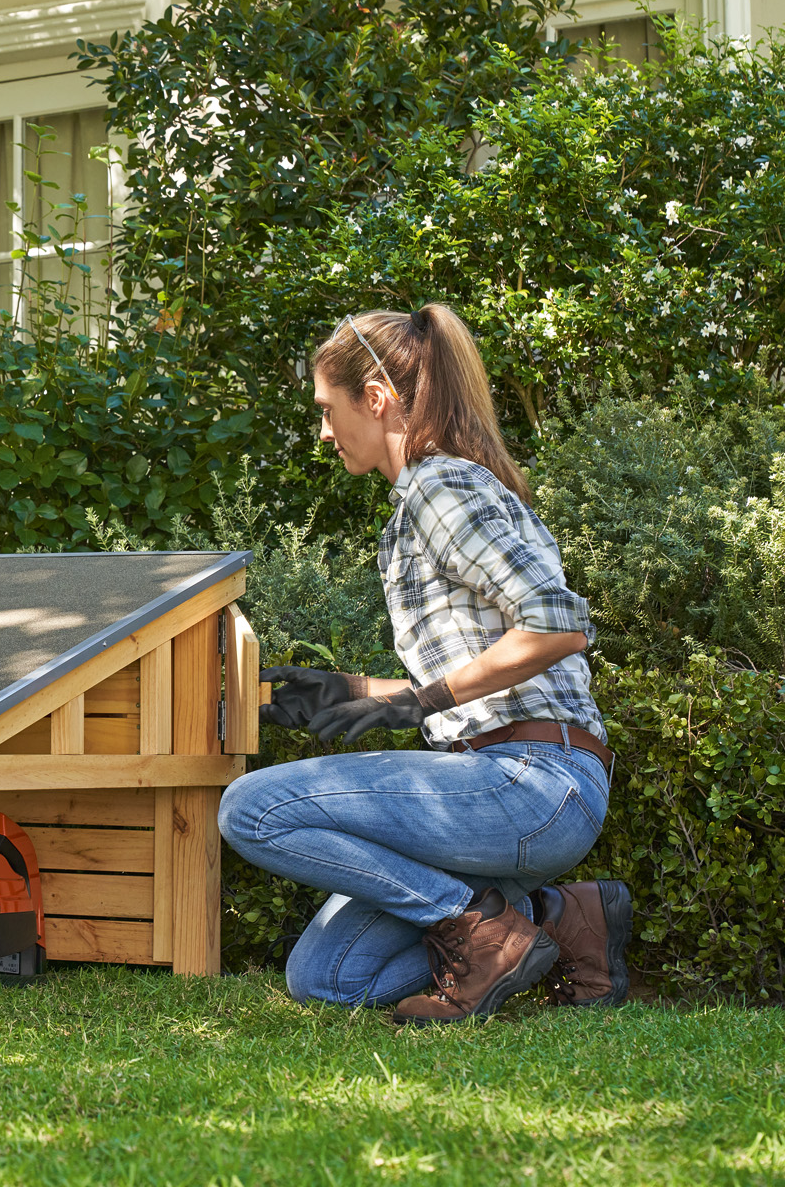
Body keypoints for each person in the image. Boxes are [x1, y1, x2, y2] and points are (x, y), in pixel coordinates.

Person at [217, 304, 631, 1024]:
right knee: (329, 978)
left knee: (252, 810)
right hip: (502, 787)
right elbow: (481, 669)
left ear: (374, 400)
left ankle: (480, 931)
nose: (323, 430)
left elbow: (559, 627)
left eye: (326, 407)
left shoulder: (442, 489)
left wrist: (418, 702)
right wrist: (352, 693)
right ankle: (561, 920)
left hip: (532, 783)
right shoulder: (425, 503)